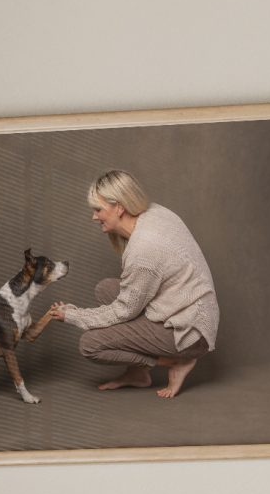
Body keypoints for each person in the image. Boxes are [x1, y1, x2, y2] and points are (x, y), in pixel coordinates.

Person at [38, 171, 220, 401]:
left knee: (90, 344)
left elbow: (124, 310)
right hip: (190, 313)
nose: (94, 217)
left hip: (190, 333)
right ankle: (138, 374)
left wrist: (73, 316)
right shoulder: (154, 212)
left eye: (98, 209)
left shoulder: (144, 249)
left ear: (119, 207)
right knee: (106, 289)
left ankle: (177, 362)